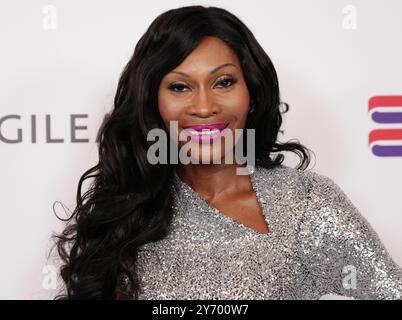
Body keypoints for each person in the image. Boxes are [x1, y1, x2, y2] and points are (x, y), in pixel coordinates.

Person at [53, 5, 402, 300]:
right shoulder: (126, 212)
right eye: (180, 86)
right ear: (153, 102)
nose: (204, 107)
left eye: (223, 82)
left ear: (252, 93)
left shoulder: (308, 205)